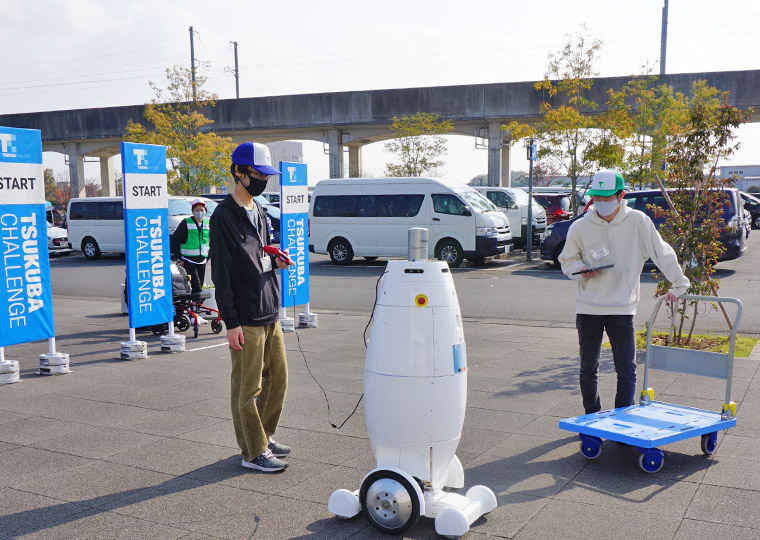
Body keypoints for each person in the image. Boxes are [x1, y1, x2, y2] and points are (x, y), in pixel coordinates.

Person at [558, 169, 690, 415]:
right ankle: (592, 416)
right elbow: (567, 260)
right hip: (588, 308)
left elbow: (662, 252)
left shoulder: (638, 221)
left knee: (627, 369)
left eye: (607, 197)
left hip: (622, 307)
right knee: (588, 367)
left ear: (621, 195)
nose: (601, 203)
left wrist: (679, 283)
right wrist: (580, 269)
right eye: (597, 197)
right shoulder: (580, 226)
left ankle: (623, 418)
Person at [210, 141, 294, 473]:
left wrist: (273, 256)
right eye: (257, 174)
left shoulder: (258, 209)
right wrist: (231, 322)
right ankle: (252, 451)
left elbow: (257, 253)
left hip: (268, 307)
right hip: (245, 315)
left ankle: (264, 434)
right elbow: (221, 274)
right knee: (248, 387)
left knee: (278, 380)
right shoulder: (223, 217)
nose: (262, 180)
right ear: (239, 173)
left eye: (265, 174)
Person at [171, 198, 210, 295]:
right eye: (197, 210)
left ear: (205, 210)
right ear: (192, 211)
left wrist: (209, 256)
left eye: (202, 210)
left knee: (199, 286)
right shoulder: (186, 222)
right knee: (196, 286)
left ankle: (195, 306)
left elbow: (211, 241)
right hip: (189, 260)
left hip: (202, 260)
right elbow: (175, 240)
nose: (200, 212)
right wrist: (179, 258)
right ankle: (195, 307)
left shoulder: (208, 223)